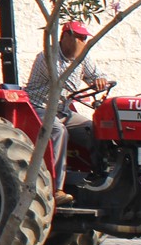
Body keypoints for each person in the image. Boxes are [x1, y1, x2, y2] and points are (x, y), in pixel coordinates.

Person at [24, 19, 112, 205]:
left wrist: (101, 80)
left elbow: (97, 74)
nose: (83, 42)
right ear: (65, 37)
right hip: (39, 108)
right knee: (58, 131)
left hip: (63, 110)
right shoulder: (47, 57)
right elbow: (64, 82)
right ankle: (55, 188)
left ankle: (100, 175)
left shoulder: (83, 57)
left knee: (93, 128)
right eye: (79, 37)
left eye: (85, 38)